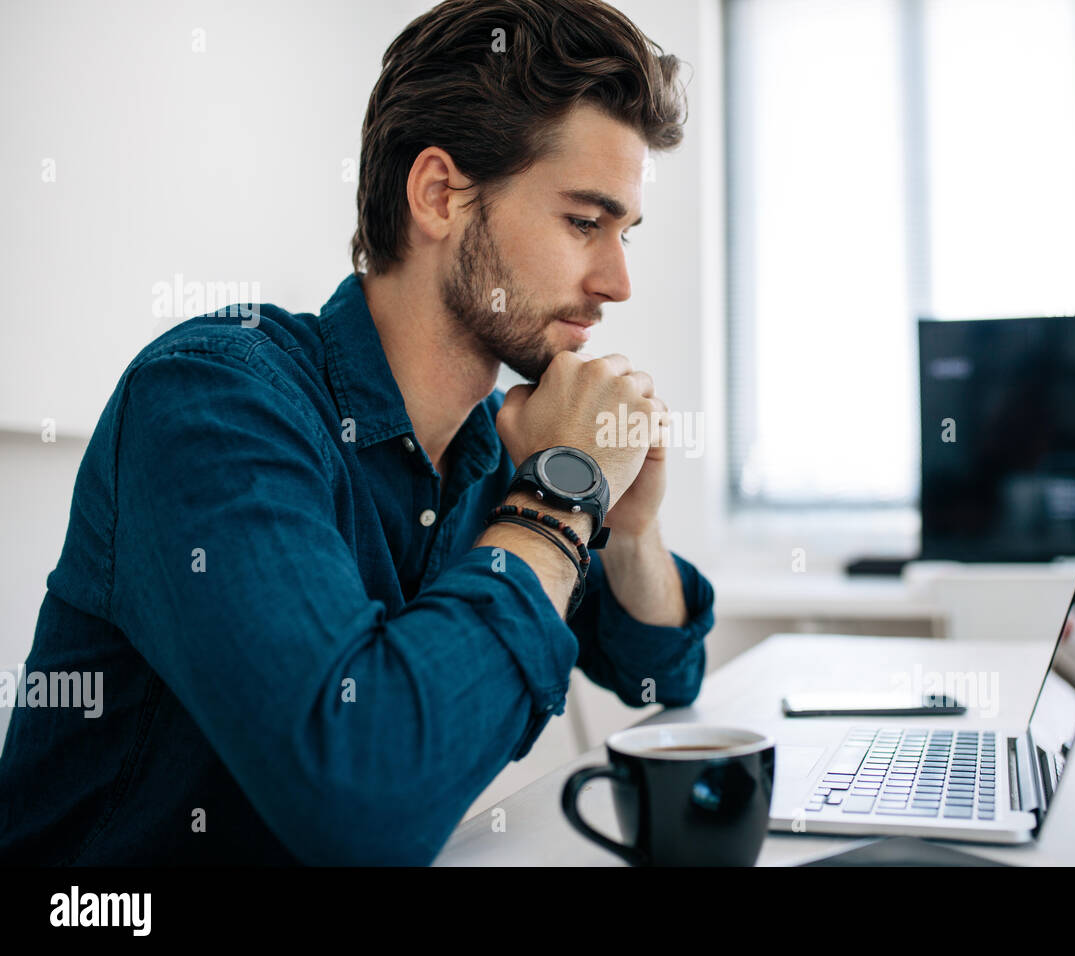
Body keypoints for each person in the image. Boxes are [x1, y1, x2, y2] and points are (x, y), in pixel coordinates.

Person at [0, 0, 714, 865]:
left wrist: (628, 528)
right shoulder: (210, 402)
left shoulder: (501, 447)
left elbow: (661, 674)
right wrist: (560, 504)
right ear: (441, 195)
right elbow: (357, 799)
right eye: (585, 223)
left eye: (627, 232)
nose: (619, 280)